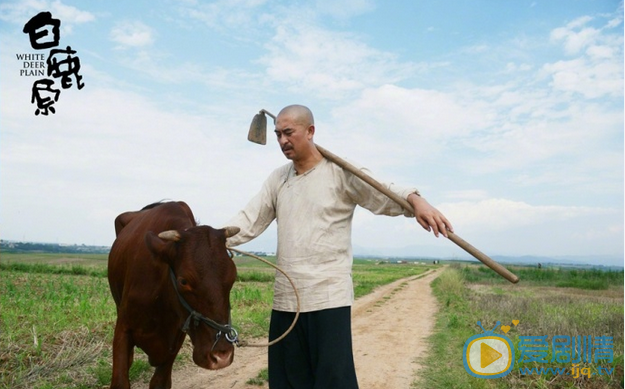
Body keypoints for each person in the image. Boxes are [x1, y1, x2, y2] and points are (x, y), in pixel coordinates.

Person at [225, 104, 453, 389]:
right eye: (278, 134)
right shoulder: (278, 179)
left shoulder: (340, 172)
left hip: (328, 297)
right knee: (287, 381)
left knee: (333, 380)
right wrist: (206, 238)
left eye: (288, 133)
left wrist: (416, 200)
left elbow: (381, 189)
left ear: (310, 132)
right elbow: (249, 219)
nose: (282, 141)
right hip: (286, 297)